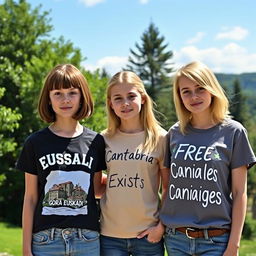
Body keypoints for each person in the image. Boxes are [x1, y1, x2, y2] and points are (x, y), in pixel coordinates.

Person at [160, 61, 256, 256]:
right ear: (179, 97)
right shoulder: (174, 133)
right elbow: (167, 187)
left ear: (212, 90)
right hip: (176, 240)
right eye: (185, 91)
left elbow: (239, 193)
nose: (193, 96)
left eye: (200, 88)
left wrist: (233, 246)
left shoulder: (234, 132)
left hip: (217, 241)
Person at [16, 64, 106, 256]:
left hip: (87, 240)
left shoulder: (96, 142)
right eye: (58, 93)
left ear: (82, 97)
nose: (65, 99)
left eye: (72, 92)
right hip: (45, 240)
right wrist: (26, 248)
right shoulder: (35, 143)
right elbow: (30, 198)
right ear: (48, 98)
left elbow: (97, 189)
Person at [94, 71, 169, 256]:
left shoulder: (160, 138)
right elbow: (97, 188)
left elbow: (169, 188)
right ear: (110, 103)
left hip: (148, 236)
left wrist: (161, 227)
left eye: (131, 96)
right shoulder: (103, 139)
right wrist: (114, 182)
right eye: (118, 98)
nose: (125, 103)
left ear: (143, 98)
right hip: (109, 236)